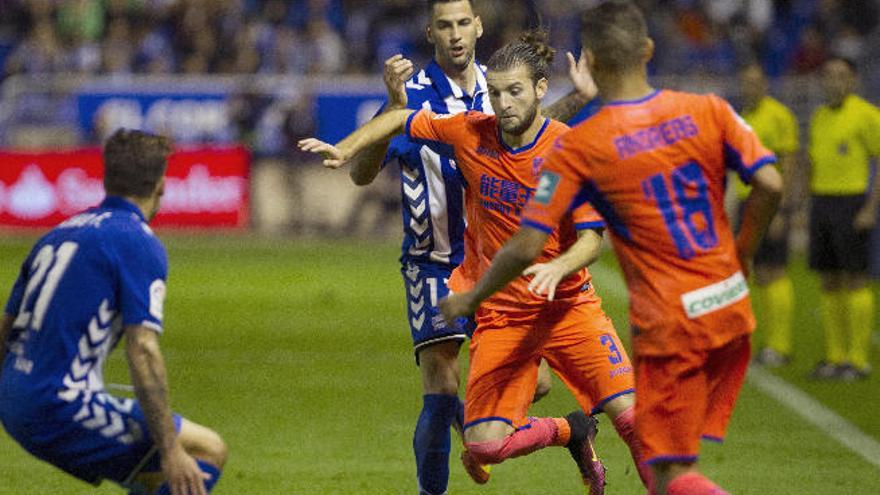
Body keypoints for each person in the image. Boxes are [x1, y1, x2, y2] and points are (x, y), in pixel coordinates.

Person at [439, 1, 783, 494]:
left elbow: (527, 244)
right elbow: (769, 185)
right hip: (728, 304)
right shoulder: (709, 108)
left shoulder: (578, 147)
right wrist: (744, 252)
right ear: (648, 49)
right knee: (650, 445)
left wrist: (471, 297)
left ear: (593, 65)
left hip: (667, 315)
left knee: (668, 469)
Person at [299, 31, 651, 494]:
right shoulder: (471, 131)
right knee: (485, 447)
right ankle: (571, 431)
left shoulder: (570, 151)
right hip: (504, 314)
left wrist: (559, 267)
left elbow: (591, 242)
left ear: (541, 91)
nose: (503, 103)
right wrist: (345, 148)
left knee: (637, 424)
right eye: (496, 92)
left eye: (515, 91)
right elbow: (402, 117)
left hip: (568, 307)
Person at [341, 1, 597, 493]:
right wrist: (393, 111)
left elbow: (531, 135)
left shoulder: (497, 83)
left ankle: (563, 430)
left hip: (495, 262)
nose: (455, 34)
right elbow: (362, 173)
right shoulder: (412, 92)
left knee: (537, 384)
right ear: (430, 32)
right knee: (440, 387)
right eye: (444, 25)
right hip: (431, 258)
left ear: (478, 26)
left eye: (463, 23)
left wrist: (578, 98)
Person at [0, 129, 227, 495]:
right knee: (203, 451)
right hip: (59, 406)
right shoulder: (137, 241)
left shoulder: (58, 234)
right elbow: (143, 349)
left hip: (12, 397)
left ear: (107, 179)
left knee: (152, 478)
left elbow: (7, 328)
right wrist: (170, 450)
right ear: (161, 185)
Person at [806, 56, 880, 381]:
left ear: (852, 81)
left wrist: (870, 208)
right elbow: (813, 161)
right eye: (828, 75)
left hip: (852, 202)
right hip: (822, 201)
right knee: (829, 278)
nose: (833, 81)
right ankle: (836, 357)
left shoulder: (866, 115)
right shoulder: (820, 116)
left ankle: (858, 359)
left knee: (855, 278)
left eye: (840, 76)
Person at [735, 63, 800, 367]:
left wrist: (784, 209)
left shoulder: (779, 115)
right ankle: (768, 344)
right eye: (746, 83)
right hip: (745, 202)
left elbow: (788, 162)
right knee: (757, 273)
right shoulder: (741, 118)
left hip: (769, 203)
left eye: (756, 83)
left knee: (774, 271)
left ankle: (781, 345)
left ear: (765, 85)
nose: (750, 88)